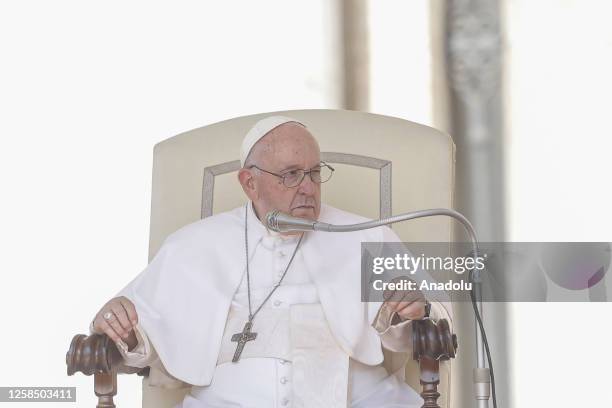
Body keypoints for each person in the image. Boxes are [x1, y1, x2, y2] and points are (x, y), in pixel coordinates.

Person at [90, 116, 452, 407]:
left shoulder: (366, 235)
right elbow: (140, 331)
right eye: (291, 174)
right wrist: (120, 322)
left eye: (314, 172)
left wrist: (413, 306)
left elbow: (433, 315)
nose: (308, 187)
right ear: (250, 183)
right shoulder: (194, 245)